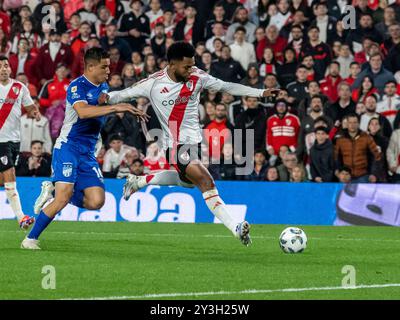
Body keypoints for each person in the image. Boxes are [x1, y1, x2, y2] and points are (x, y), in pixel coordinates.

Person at [106, 42, 280, 246]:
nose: (191, 70)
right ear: (172, 64)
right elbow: (122, 94)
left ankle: (139, 181)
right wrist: (100, 97)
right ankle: (236, 227)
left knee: (188, 182)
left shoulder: (198, 77)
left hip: (194, 143)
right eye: (186, 67)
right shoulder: (153, 83)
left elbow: (226, 86)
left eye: (192, 65)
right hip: (175, 146)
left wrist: (259, 93)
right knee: (206, 181)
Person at [21, 48, 148, 250]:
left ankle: (54, 190)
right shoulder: (76, 86)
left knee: (97, 201)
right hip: (68, 147)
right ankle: (30, 239)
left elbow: (103, 100)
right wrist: (117, 107)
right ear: (90, 67)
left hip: (87, 153)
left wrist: (127, 99)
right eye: (104, 66)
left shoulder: (102, 85)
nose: (108, 70)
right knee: (64, 197)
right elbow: (82, 111)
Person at [0, 56, 39, 229]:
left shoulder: (19, 87)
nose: (3, 69)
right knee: (10, 174)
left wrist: (33, 112)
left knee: (3, 180)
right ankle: (21, 217)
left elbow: (30, 107)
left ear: (10, 68)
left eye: (6, 66)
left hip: (15, 139)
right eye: (0, 66)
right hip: (0, 140)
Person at [334, 113, 382, 183]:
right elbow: (336, 157)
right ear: (347, 124)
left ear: (358, 124)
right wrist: (338, 171)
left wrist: (373, 173)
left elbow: (376, 156)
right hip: (346, 177)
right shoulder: (340, 139)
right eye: (350, 122)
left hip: (363, 176)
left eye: (355, 122)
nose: (352, 125)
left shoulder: (366, 137)